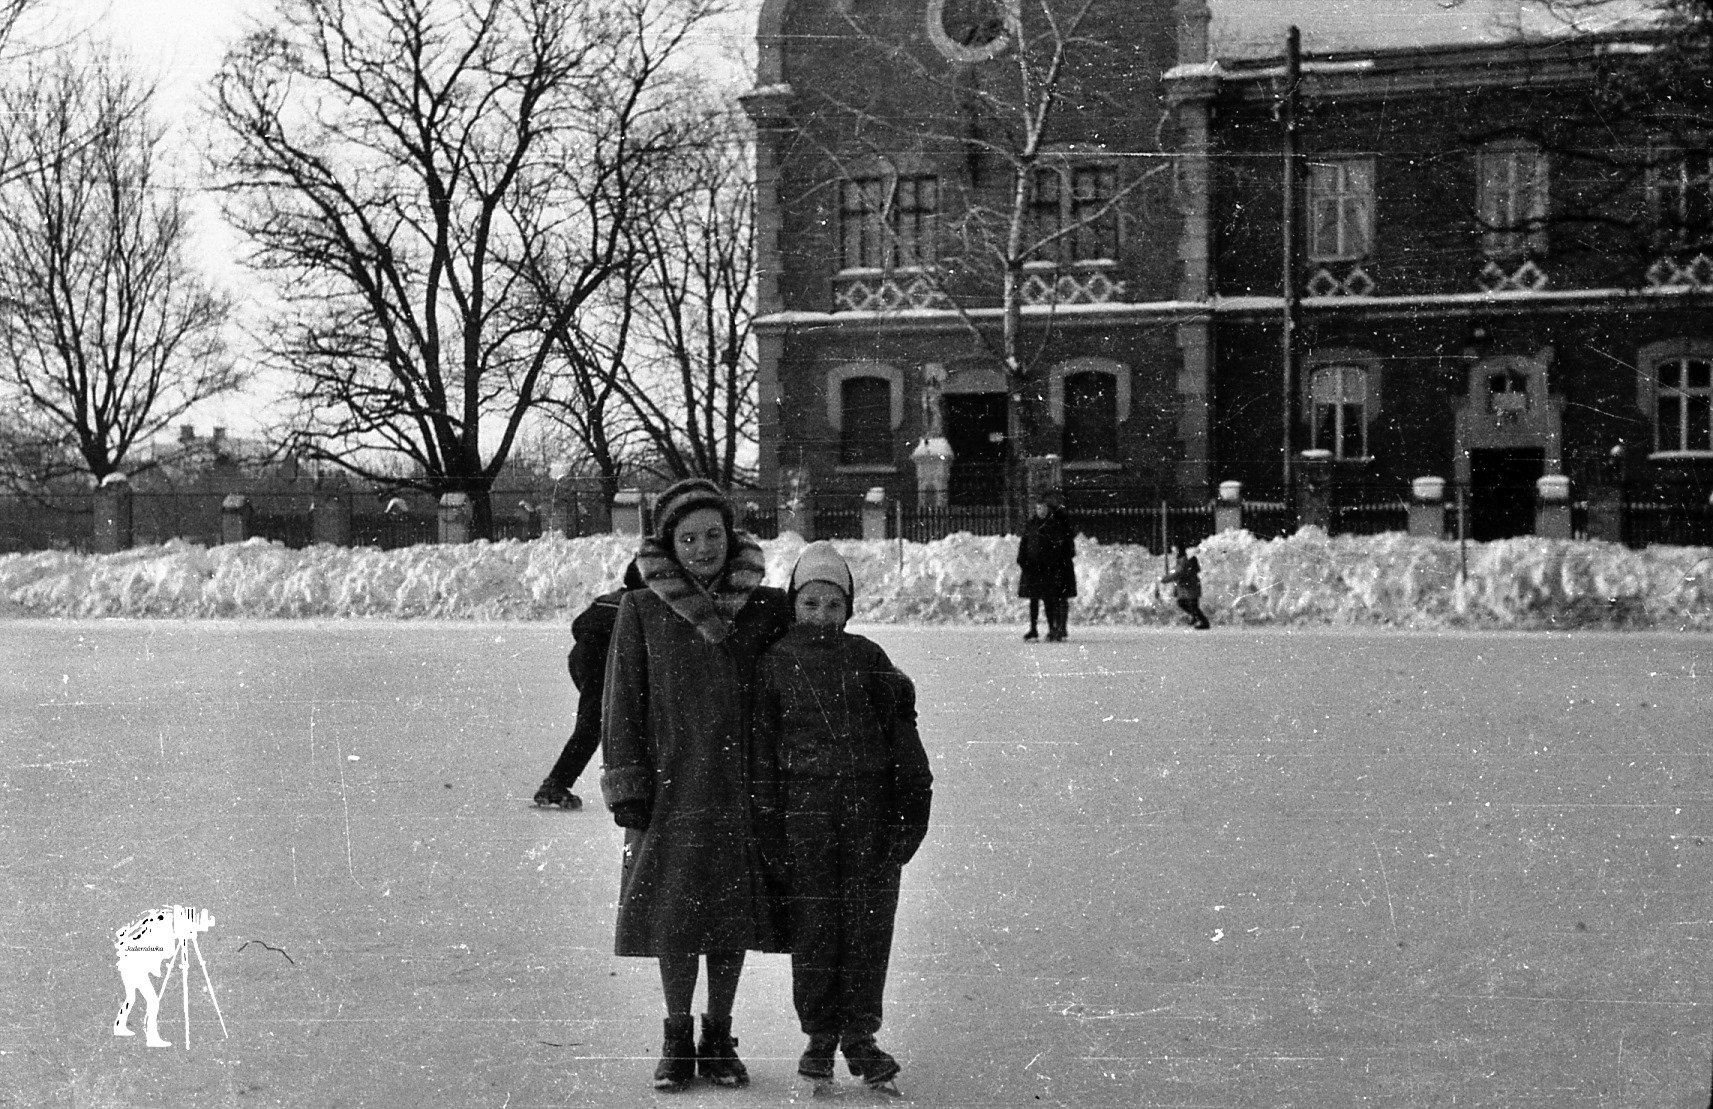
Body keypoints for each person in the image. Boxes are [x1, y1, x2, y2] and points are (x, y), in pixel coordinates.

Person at [599, 478, 792, 1091]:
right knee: (674, 917)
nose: (704, 548)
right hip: (669, 788)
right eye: (690, 537)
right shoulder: (641, 609)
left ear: (730, 535)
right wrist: (626, 781)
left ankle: (719, 1035)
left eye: (713, 534)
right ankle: (676, 1037)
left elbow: (793, 686)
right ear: (670, 543)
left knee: (729, 916)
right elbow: (620, 704)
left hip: (739, 785)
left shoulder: (764, 609)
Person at [752, 541, 933, 1093]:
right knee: (815, 929)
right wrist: (770, 829)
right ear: (794, 605)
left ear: (848, 609)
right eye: (811, 604)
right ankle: (818, 1037)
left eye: (834, 605)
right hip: (804, 819)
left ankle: (860, 1035)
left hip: (869, 820)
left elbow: (904, 744)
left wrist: (910, 817)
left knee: (867, 929)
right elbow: (761, 753)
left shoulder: (869, 658)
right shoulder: (775, 663)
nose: (823, 616)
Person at [532, 560, 645, 810]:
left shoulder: (611, 598)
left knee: (601, 724)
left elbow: (579, 624)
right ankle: (556, 783)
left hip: (581, 659)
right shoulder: (639, 605)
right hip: (600, 661)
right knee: (594, 725)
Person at [1015, 488, 1078, 641]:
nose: (1040, 510)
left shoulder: (1056, 524)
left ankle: (1056, 628)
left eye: (1043, 507)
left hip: (1051, 569)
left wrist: (1052, 562)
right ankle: (1037, 629)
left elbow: (1063, 547)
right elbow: (1025, 544)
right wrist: (1023, 560)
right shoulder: (1033, 524)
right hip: (1034, 568)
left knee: (1054, 599)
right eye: (1038, 508)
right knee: (1036, 599)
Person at [1162, 543, 1212, 629]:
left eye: (1175, 550)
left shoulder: (1182, 562)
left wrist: (1166, 579)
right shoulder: (1183, 561)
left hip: (1189, 588)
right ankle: (1196, 619)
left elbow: (1178, 573)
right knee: (1189, 605)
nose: (1173, 552)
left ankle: (1203, 621)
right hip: (1190, 587)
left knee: (1188, 605)